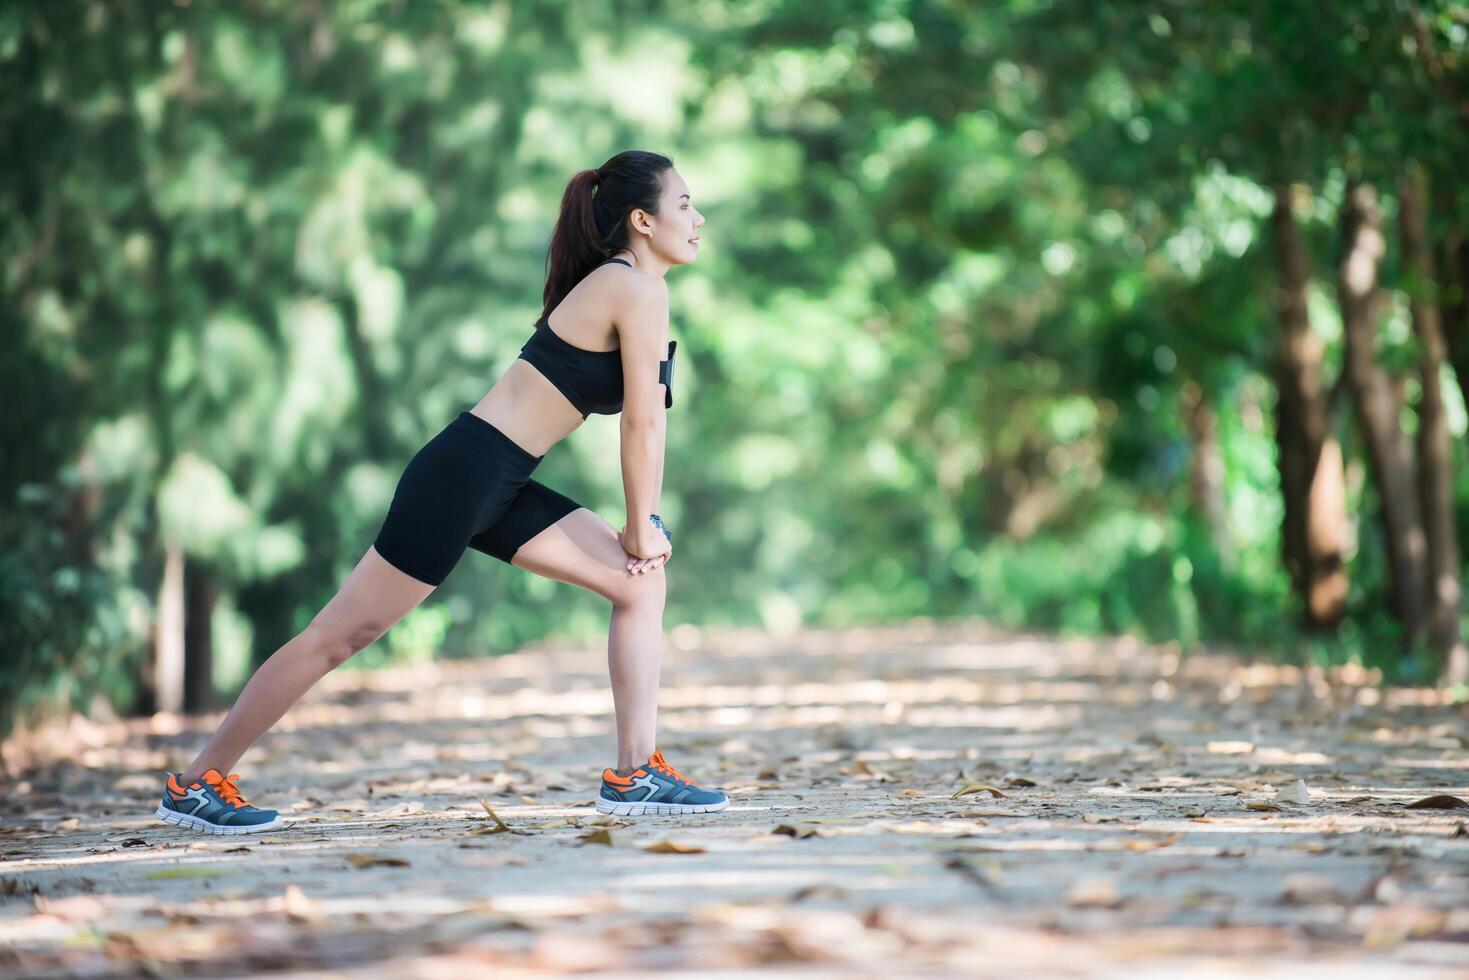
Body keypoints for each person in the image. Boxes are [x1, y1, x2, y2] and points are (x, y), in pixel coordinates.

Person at [155, 150, 727, 834]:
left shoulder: (635, 288)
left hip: (502, 479)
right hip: (463, 473)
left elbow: (646, 419)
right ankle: (195, 783)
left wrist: (642, 532)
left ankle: (634, 773)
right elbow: (641, 425)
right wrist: (641, 526)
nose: (696, 218)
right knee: (340, 635)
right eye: (684, 204)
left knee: (639, 586)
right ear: (642, 219)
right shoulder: (632, 287)